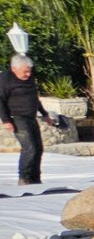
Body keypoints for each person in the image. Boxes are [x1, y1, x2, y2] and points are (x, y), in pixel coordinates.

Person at [1, 54, 52, 186]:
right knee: (29, 147)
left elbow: (34, 98)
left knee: (38, 148)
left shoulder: (29, 79)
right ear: (14, 68)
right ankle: (24, 177)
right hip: (16, 117)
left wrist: (44, 114)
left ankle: (35, 178)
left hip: (31, 116)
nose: (28, 74)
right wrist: (6, 120)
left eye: (29, 70)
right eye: (25, 71)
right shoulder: (5, 80)